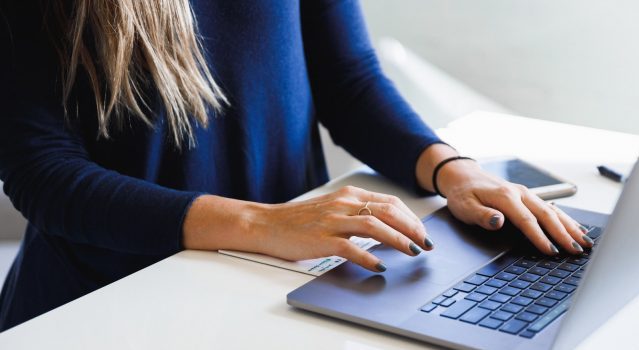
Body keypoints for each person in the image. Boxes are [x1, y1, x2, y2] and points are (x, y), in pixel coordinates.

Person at [0, 0, 593, 331]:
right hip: (115, 302)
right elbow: (41, 172)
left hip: (281, 281)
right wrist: (263, 224)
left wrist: (452, 170)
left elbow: (347, 78)